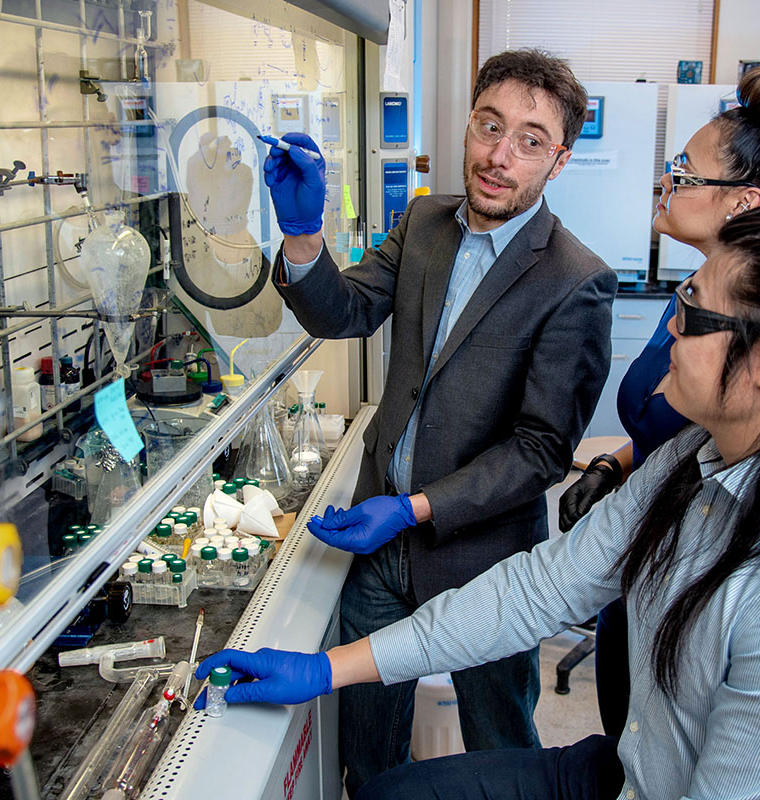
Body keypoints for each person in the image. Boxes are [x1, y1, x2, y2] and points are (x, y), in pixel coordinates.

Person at [193, 200, 760, 800]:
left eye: (694, 312)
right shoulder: (695, 459)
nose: (670, 327)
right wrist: (328, 671)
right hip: (633, 770)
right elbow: (542, 587)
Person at [260, 49, 617, 793]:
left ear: (559, 160)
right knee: (369, 748)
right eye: (489, 126)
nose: (498, 155)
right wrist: (302, 236)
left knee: (501, 747)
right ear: (468, 123)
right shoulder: (425, 222)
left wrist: (415, 508)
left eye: (528, 139)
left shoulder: (575, 280)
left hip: (485, 563)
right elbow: (345, 311)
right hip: (379, 555)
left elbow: (541, 450)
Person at [558, 62, 760, 738]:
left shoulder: (753, 340)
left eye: (683, 171)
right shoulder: (696, 294)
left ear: (742, 204)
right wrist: (615, 467)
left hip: (692, 578)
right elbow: (679, 431)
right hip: (644, 549)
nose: (666, 182)